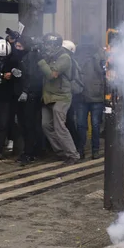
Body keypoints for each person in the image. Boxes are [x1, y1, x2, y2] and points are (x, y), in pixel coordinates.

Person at [37, 33, 80, 164]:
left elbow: (51, 75)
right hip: (48, 96)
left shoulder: (64, 57)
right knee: (46, 125)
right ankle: (61, 152)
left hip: (62, 96)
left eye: (48, 45)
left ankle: (73, 155)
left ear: (55, 45)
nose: (46, 47)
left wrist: (41, 61)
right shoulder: (50, 57)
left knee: (60, 127)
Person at [14, 37, 44, 165]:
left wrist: (25, 91)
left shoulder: (30, 57)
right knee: (27, 124)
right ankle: (31, 150)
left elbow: (31, 76)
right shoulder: (26, 57)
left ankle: (29, 152)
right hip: (28, 94)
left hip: (29, 96)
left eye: (20, 46)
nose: (17, 48)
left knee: (28, 124)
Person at [74, 39, 105, 160]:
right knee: (94, 125)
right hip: (94, 95)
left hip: (83, 95)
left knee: (82, 125)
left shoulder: (79, 56)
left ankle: (82, 150)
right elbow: (103, 72)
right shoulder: (98, 55)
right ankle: (94, 150)